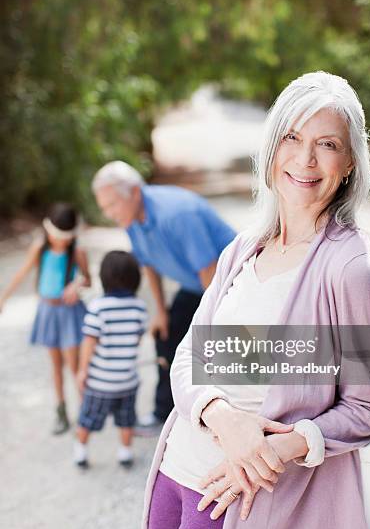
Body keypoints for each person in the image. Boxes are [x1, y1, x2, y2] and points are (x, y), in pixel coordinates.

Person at [141, 71, 370, 529]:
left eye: (327, 144)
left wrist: (282, 447)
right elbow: (189, 355)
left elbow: (368, 407)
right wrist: (222, 416)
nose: (305, 159)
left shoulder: (353, 271)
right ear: (272, 147)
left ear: (349, 165)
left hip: (239, 496)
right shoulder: (243, 248)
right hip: (174, 472)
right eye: (292, 137)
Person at [91, 162, 236, 428]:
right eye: (104, 208)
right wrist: (160, 312)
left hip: (229, 284)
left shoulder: (176, 214)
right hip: (197, 286)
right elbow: (148, 263)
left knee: (219, 344)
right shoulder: (131, 219)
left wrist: (214, 323)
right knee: (166, 334)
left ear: (134, 192)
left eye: (112, 205)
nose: (109, 214)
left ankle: (232, 407)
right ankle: (165, 414)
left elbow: (210, 270)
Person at [0, 203, 91, 434]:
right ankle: (61, 411)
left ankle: (85, 413)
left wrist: (77, 284)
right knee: (55, 365)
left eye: (65, 237)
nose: (61, 241)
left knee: (74, 365)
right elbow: (22, 272)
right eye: (57, 236)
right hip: (48, 312)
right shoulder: (40, 248)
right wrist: (4, 297)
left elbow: (88, 279)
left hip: (69, 313)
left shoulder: (77, 251)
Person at [74, 250, 148, 469]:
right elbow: (137, 339)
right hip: (127, 381)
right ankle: (125, 452)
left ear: (104, 278)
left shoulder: (97, 308)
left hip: (100, 382)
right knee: (126, 420)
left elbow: (89, 343)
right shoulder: (139, 308)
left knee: (87, 418)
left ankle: (80, 452)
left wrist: (82, 371)